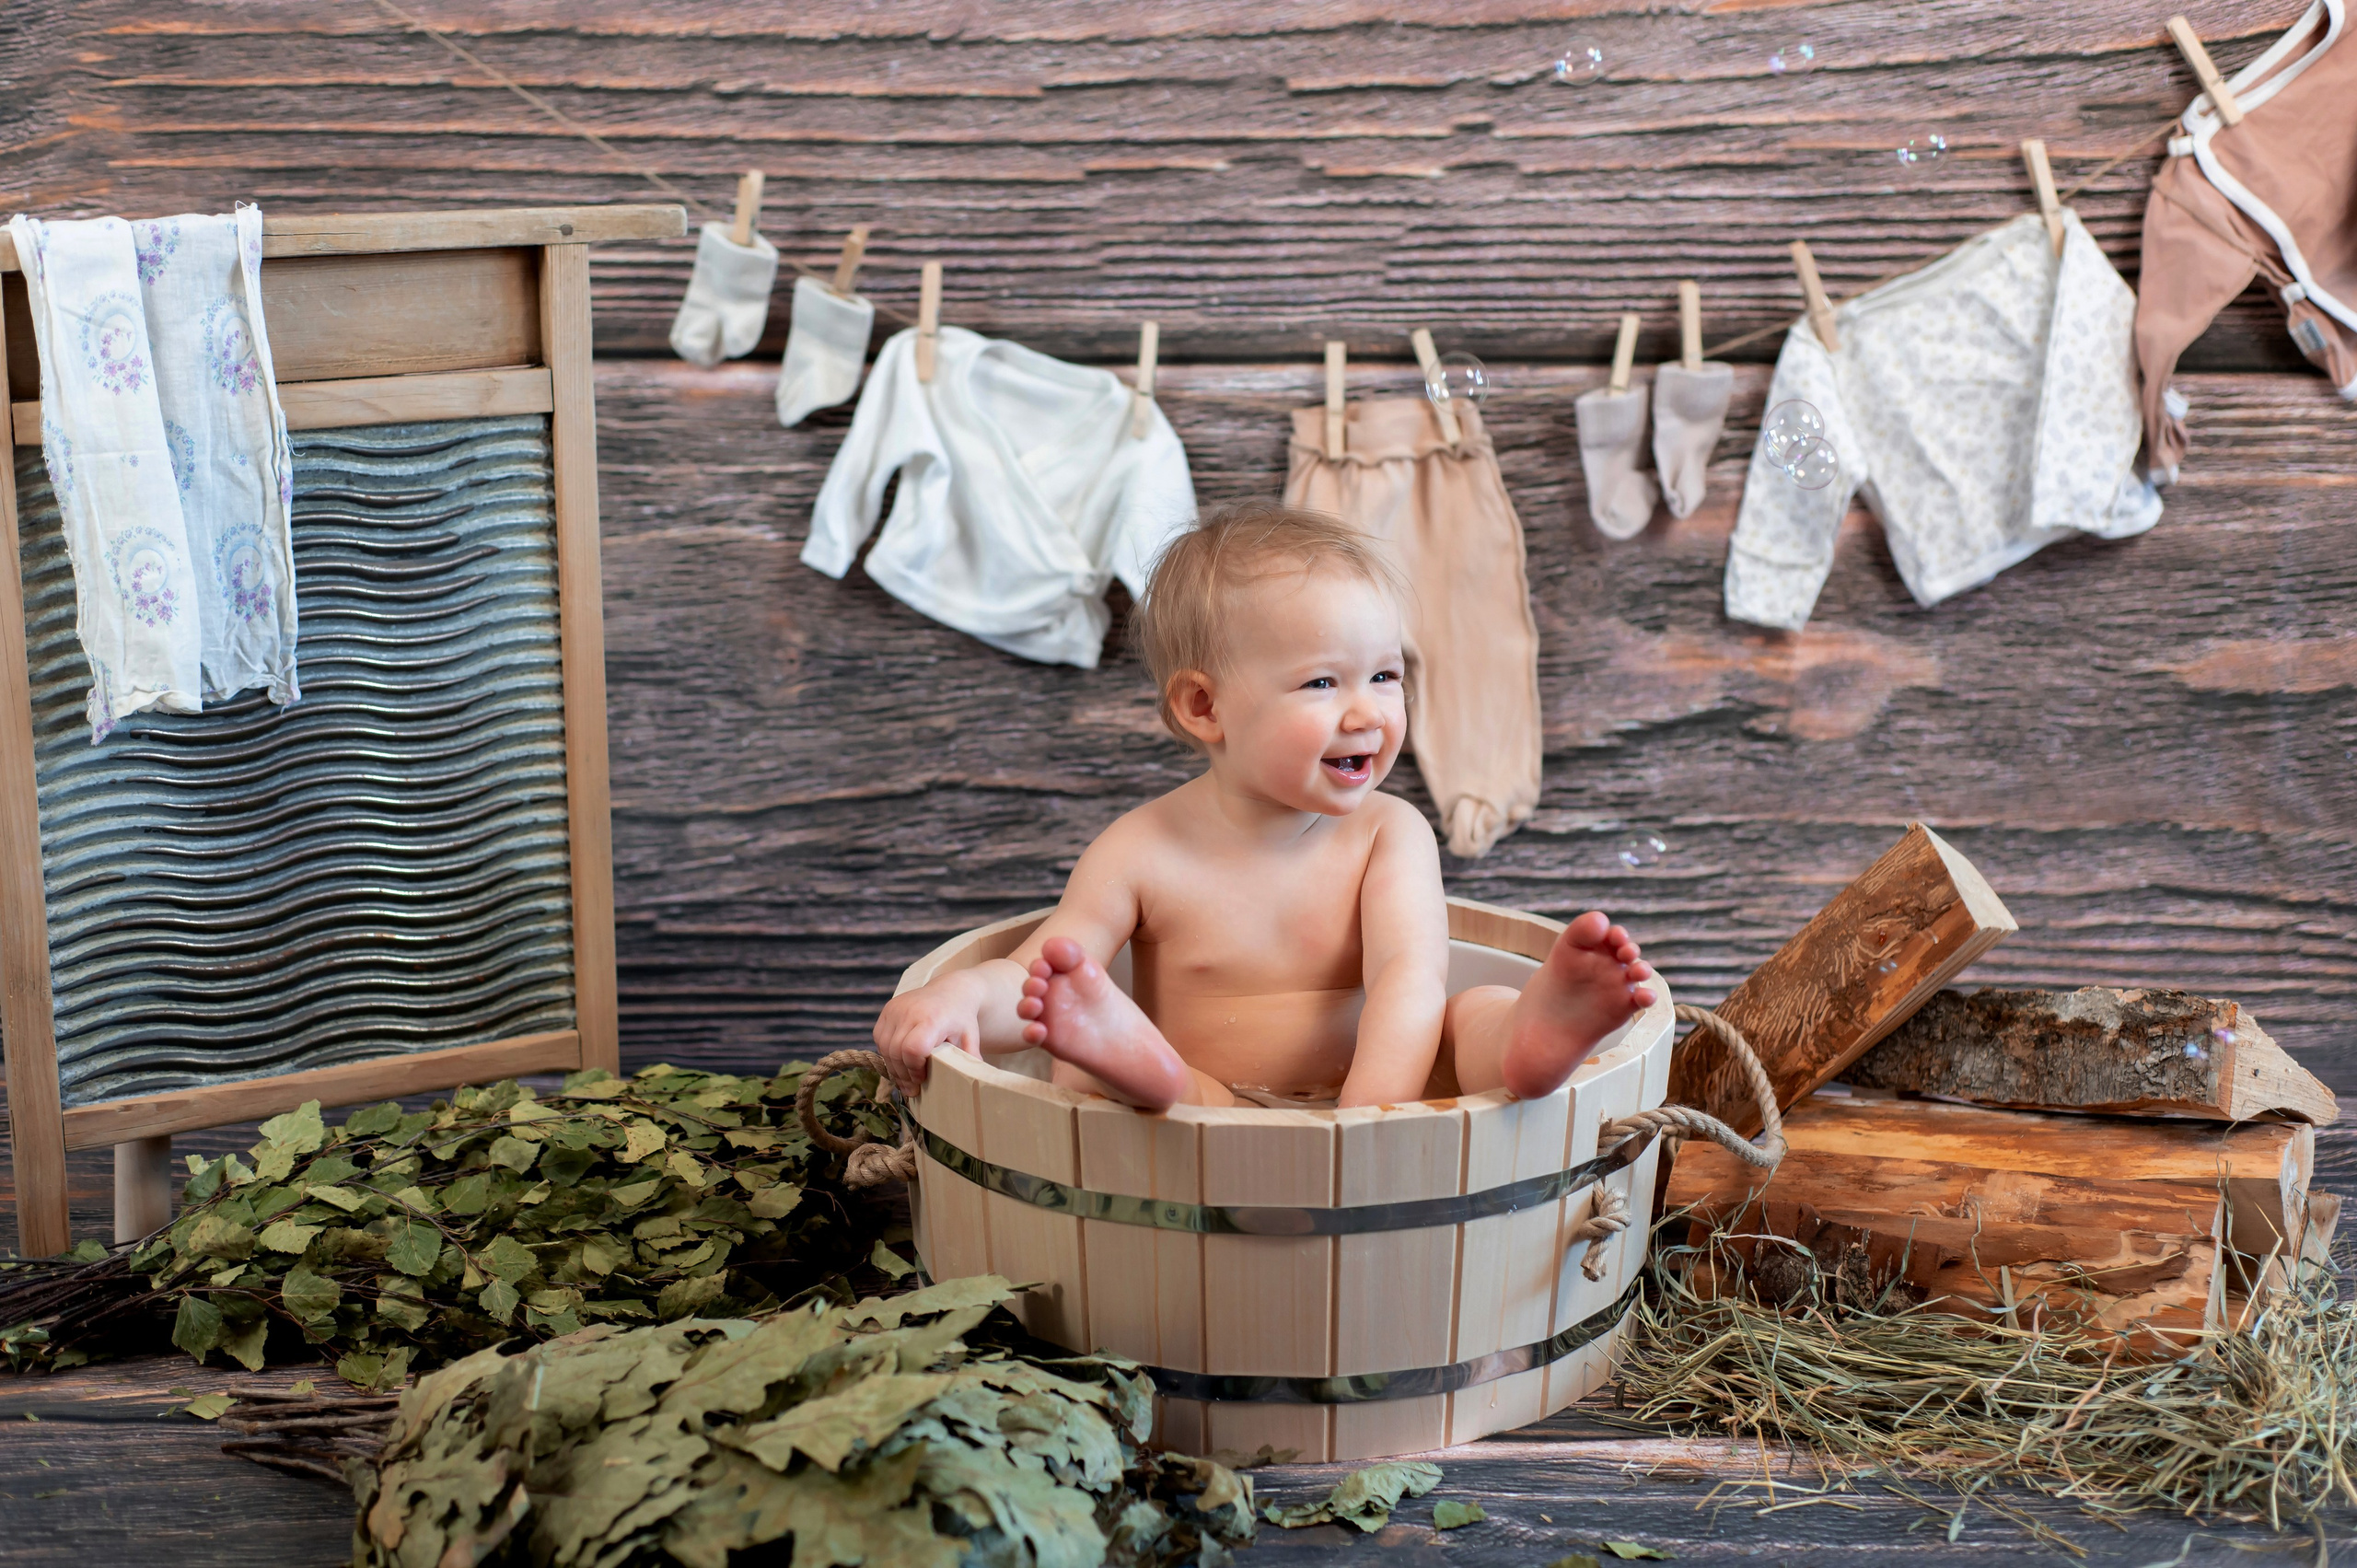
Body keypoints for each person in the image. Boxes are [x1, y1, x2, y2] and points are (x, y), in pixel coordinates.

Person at [874, 503, 1656, 1109]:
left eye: (1386, 675)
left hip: (1388, 1094)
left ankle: (1531, 1037)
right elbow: (1033, 982)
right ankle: (1133, 1062)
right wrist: (953, 997)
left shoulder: (1389, 833)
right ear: (1205, 707)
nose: (1367, 712)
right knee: (1094, 1060)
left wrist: (1372, 1115)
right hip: (1208, 1111)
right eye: (1324, 682)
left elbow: (1406, 978)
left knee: (1471, 1007)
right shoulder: (1141, 850)